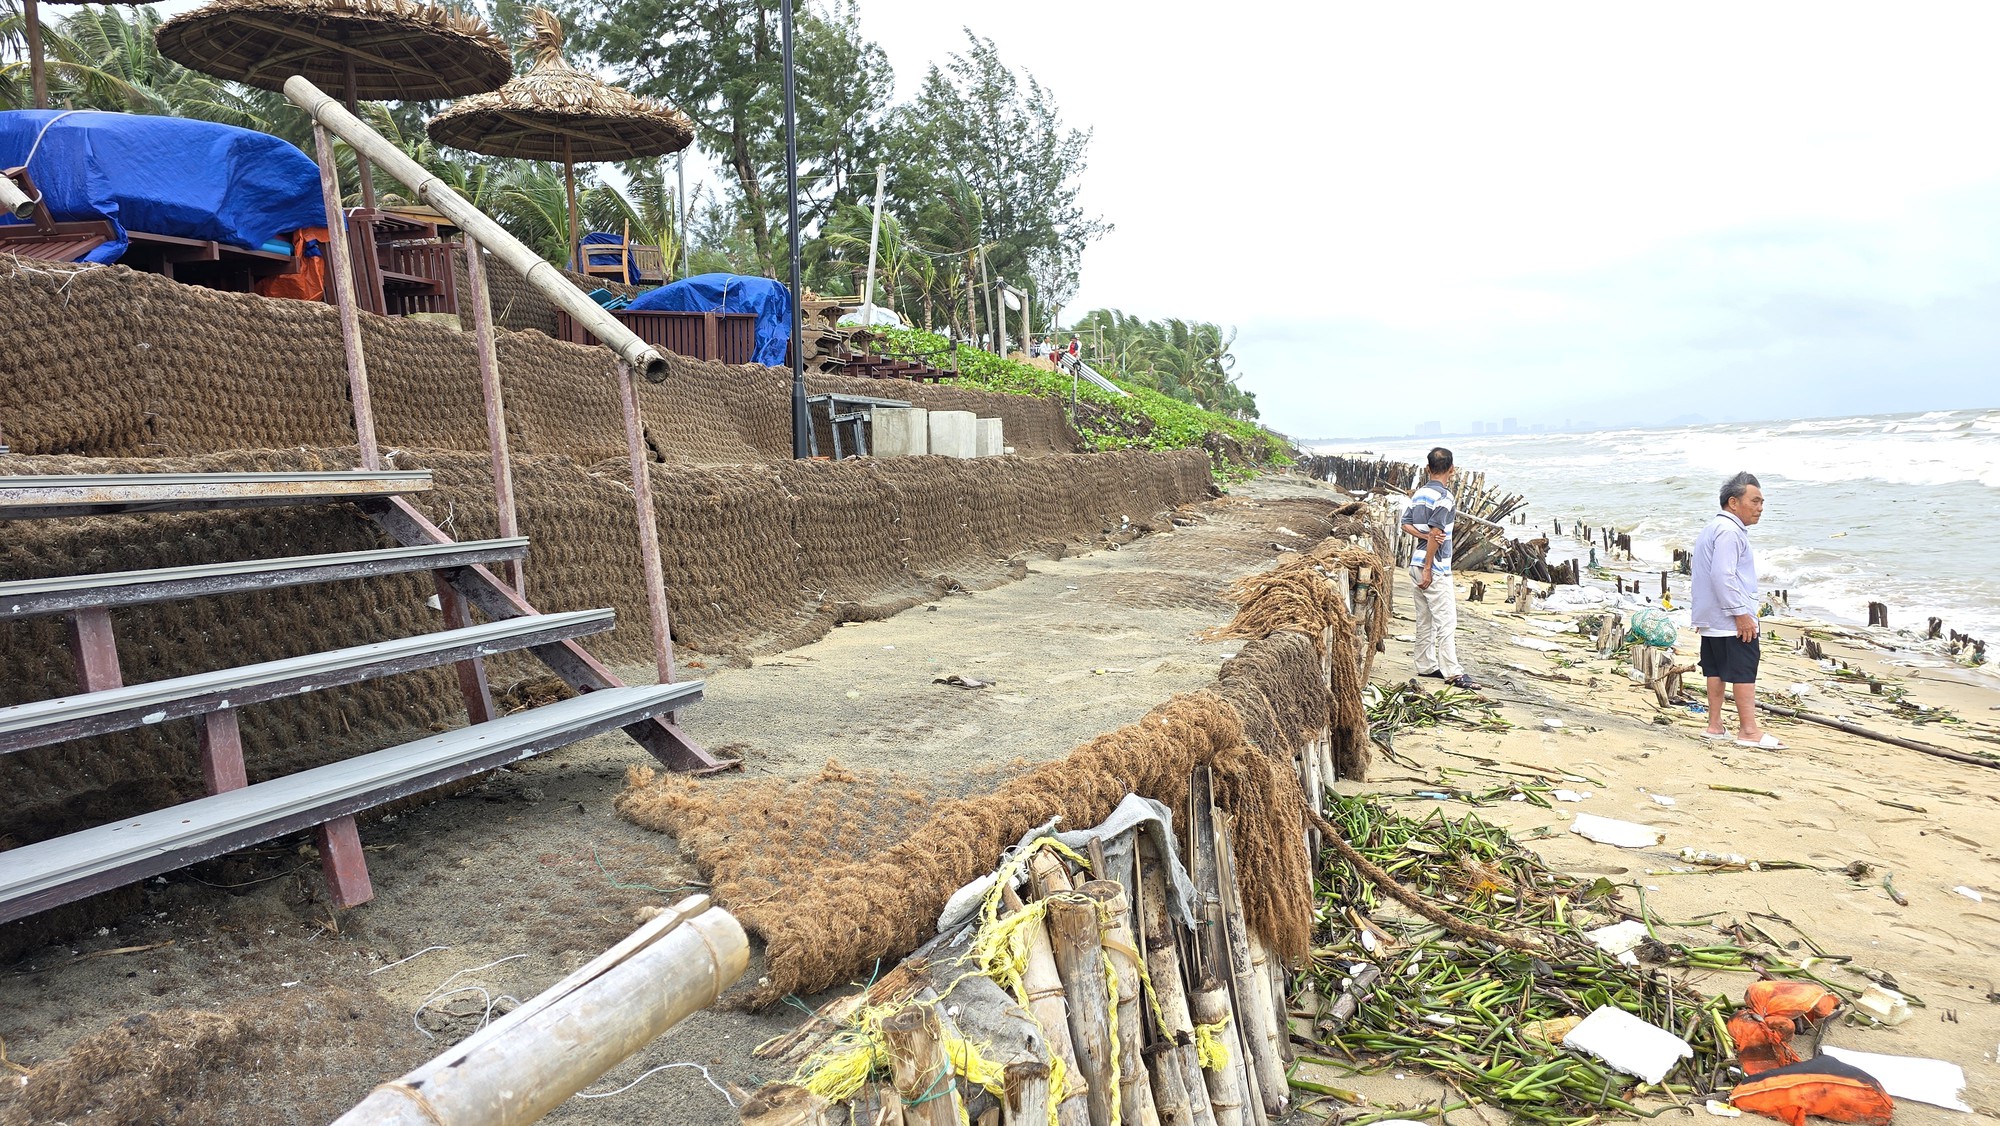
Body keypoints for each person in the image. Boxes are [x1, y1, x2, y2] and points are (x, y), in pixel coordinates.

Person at [1691, 472, 1783, 749]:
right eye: (1754, 501)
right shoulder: (1730, 532)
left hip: (1712, 617)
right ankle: (1748, 731)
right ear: (1733, 502)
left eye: (1762, 502)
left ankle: (1715, 726)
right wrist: (1741, 614)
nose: (1760, 508)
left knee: (1716, 670)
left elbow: (1704, 575)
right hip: (1731, 616)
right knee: (1743, 671)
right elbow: (1722, 575)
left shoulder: (1712, 528)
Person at [1400, 447, 1479, 689]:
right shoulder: (1445, 497)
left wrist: (1424, 536)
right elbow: (1436, 533)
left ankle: (1425, 664)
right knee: (1446, 621)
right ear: (1452, 470)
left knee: (1425, 620)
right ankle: (1453, 672)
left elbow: (1405, 524)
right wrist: (1428, 567)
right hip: (1432, 566)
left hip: (1416, 563)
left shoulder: (1420, 494)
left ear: (1427, 468)